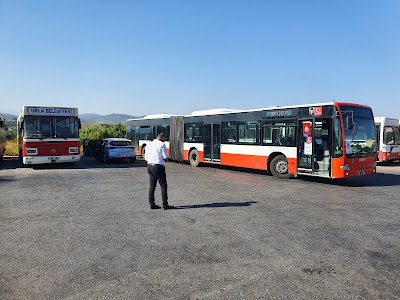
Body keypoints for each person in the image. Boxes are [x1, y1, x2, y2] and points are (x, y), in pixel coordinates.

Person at [145, 133, 175, 210]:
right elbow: (165, 157)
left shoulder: (149, 144)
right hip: (158, 166)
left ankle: (152, 204)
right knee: (163, 185)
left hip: (149, 166)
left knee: (152, 186)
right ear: (161, 138)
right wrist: (167, 159)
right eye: (164, 138)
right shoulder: (162, 144)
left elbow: (146, 157)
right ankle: (165, 204)